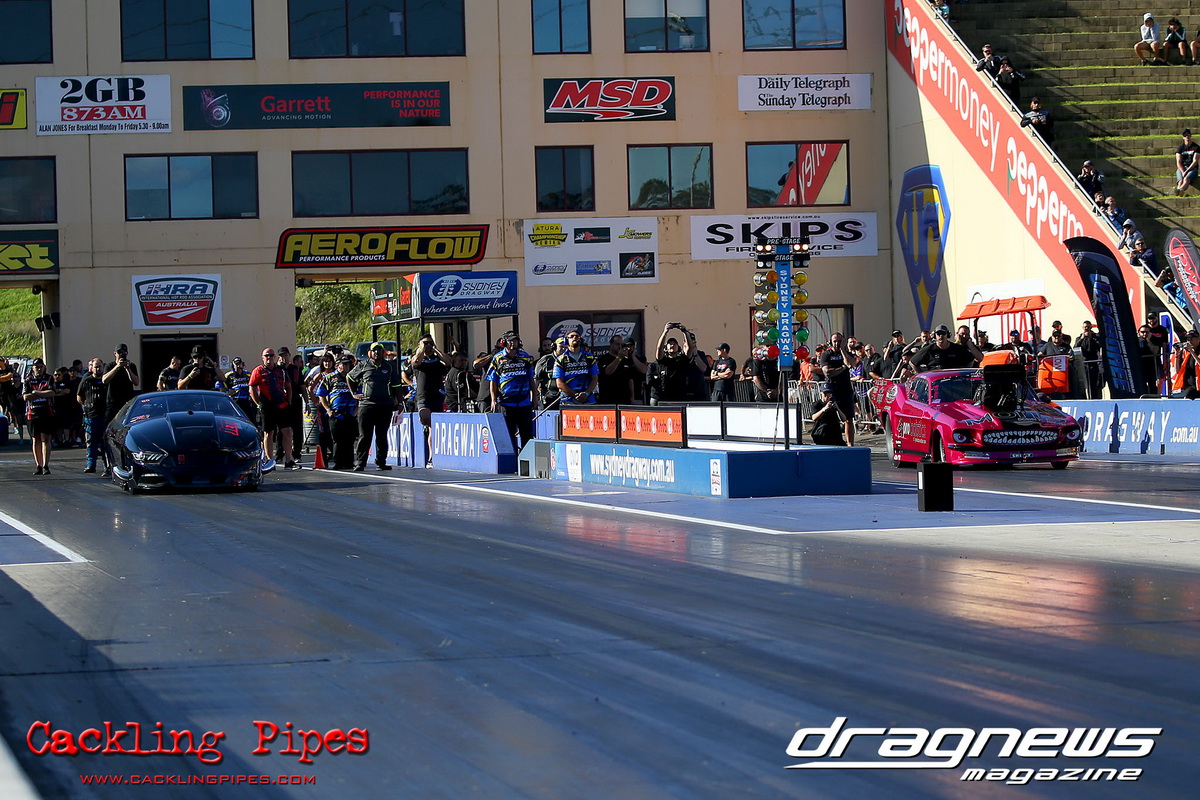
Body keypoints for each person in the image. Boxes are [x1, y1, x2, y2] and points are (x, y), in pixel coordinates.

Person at [348, 342, 402, 472]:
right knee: (364, 436)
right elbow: (349, 377)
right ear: (370, 353)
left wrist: (400, 403)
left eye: (379, 350)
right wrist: (354, 393)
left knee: (382, 435)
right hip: (366, 405)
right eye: (374, 350)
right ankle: (360, 463)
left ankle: (381, 462)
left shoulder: (389, 366)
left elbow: (396, 386)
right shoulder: (363, 365)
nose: (377, 352)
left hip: (384, 405)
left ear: (383, 352)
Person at [486, 332, 537, 450]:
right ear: (504, 342)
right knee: (509, 433)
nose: (513, 343)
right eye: (510, 341)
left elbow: (531, 379)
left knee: (527, 433)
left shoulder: (525, 357)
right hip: (506, 402)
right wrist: (493, 400)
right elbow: (493, 381)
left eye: (515, 340)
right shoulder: (498, 358)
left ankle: (526, 457)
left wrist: (534, 397)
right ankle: (513, 457)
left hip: (524, 402)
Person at [249, 347, 293, 469]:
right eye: (266, 356)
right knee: (268, 433)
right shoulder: (258, 370)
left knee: (287, 431)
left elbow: (288, 386)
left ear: (275, 357)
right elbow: (252, 388)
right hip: (267, 406)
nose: (269, 358)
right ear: (262, 358)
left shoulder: (281, 370)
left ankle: (289, 459)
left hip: (282, 405)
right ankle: (270, 460)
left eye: (271, 355)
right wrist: (258, 403)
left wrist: (288, 401)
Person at [313, 354, 359, 469]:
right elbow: (321, 394)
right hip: (336, 413)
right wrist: (328, 409)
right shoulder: (330, 377)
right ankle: (338, 462)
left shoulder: (354, 378)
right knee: (337, 439)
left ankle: (349, 462)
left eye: (348, 364)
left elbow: (360, 394)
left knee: (350, 439)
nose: (346, 366)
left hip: (350, 413)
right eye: (344, 364)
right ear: (338, 365)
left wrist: (356, 410)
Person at [22, 359, 61, 475]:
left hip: (46, 412)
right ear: (33, 368)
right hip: (32, 412)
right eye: (36, 367)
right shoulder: (28, 380)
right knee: (36, 439)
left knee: (46, 439)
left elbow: (52, 393)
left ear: (44, 367)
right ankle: (38, 465)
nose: (39, 369)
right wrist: (42, 394)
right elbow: (25, 396)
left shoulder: (49, 378)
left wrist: (36, 393)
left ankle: (45, 465)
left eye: (40, 366)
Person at [818, 332, 858, 446]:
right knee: (830, 418)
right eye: (835, 341)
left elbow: (852, 364)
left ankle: (850, 445)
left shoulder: (846, 353)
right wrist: (843, 368)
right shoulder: (826, 354)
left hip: (845, 389)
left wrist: (843, 350)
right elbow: (828, 373)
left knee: (848, 419)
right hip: (832, 389)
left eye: (839, 341)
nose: (837, 343)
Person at [76, 357, 108, 474]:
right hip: (91, 416)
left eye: (100, 367)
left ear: (103, 367)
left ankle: (107, 466)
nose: (98, 369)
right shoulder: (87, 380)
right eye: (95, 367)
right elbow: (79, 397)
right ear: (91, 368)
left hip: (105, 416)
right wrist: (87, 406)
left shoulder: (107, 380)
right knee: (91, 442)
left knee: (105, 443)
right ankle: (91, 465)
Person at [653, 322, 696, 403]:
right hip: (665, 396)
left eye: (674, 344)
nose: (672, 345)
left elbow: (690, 348)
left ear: (678, 347)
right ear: (666, 348)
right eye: (670, 344)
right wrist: (665, 332)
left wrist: (685, 332)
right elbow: (659, 348)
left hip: (680, 396)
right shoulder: (663, 360)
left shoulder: (682, 359)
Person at [554, 330, 600, 405]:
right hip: (568, 400)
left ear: (581, 340)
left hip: (588, 399)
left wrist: (586, 393)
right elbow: (559, 383)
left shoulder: (589, 357)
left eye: (577, 336)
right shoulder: (560, 359)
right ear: (566, 340)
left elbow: (595, 378)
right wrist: (575, 395)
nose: (575, 338)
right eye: (572, 336)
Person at [911, 324, 982, 371]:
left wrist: (963, 374)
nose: (941, 336)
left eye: (943, 333)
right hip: (936, 383)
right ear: (935, 335)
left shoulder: (957, 348)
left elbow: (974, 359)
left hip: (954, 382)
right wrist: (922, 375)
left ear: (947, 335)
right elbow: (912, 362)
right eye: (938, 334)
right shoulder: (929, 349)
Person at [102, 344, 140, 423]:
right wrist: (117, 367)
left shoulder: (131, 366)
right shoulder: (109, 366)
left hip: (127, 401)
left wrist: (128, 369)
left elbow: (136, 382)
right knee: (110, 424)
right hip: (113, 402)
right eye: (120, 353)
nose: (122, 355)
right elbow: (104, 380)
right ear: (115, 354)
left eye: (124, 352)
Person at [597, 336, 639, 405]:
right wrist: (619, 358)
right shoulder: (604, 358)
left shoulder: (626, 359)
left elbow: (630, 379)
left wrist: (632, 396)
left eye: (621, 345)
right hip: (609, 399)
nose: (620, 347)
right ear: (611, 344)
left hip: (624, 399)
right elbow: (608, 372)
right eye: (617, 344)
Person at [534, 337, 565, 410]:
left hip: (566, 397)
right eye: (561, 347)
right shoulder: (545, 360)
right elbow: (536, 379)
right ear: (554, 347)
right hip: (549, 398)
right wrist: (534, 398)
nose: (564, 349)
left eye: (566, 347)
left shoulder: (569, 359)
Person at [1075, 321, 1104, 399]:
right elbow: (1075, 348)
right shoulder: (1079, 338)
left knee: (1094, 385)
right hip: (1083, 364)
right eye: (1085, 327)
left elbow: (1099, 347)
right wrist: (1081, 339)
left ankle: (1095, 399)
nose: (1086, 329)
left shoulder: (1096, 337)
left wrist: (1091, 338)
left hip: (1093, 364)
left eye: (1088, 327)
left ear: (1091, 327)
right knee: (1085, 385)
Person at [225, 357, 257, 423]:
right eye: (236, 364)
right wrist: (228, 392)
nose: (238, 366)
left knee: (251, 419)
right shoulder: (228, 375)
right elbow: (223, 388)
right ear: (233, 365)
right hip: (235, 400)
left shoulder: (248, 374)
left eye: (240, 364)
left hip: (247, 400)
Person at [1175, 129, 1200, 195]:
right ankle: (1179, 191)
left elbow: (1195, 161)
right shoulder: (1180, 148)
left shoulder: (1196, 147)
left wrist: (1186, 171)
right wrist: (1183, 171)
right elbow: (1178, 162)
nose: (1187, 137)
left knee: (1186, 179)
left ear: (1190, 136)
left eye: (1188, 135)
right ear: (1183, 137)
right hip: (1182, 168)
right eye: (1185, 135)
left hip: (1192, 169)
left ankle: (1180, 190)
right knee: (1180, 181)